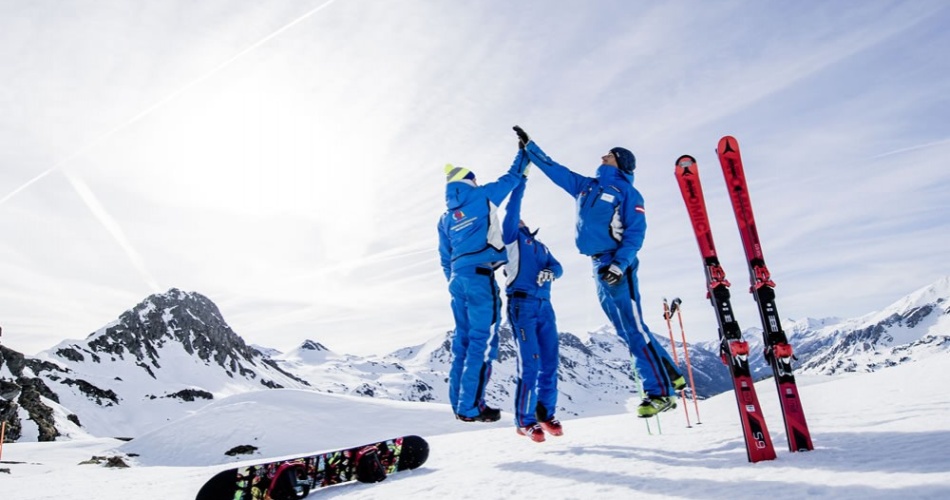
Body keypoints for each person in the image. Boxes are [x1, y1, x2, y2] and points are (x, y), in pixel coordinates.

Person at [513, 125, 686, 418]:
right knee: (626, 329)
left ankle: (661, 393)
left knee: (633, 327)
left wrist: (619, 265)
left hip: (617, 264)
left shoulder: (628, 192)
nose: (603, 156)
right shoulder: (587, 186)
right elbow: (556, 170)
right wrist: (530, 148)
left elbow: (635, 234)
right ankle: (671, 375)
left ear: (621, 161)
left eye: (610, 154)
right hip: (597, 264)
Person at [438, 149, 529, 422]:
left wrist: (455, 280)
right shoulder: (482, 196)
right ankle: (471, 407)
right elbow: (511, 178)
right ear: (472, 181)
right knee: (482, 342)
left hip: (457, 279)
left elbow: (444, 257)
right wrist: (523, 154)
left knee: (462, 344)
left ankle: (458, 405)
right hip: (480, 278)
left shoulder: (445, 218)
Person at [502, 173, 564, 442]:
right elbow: (512, 208)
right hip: (521, 303)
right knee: (530, 364)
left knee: (550, 363)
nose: (519, 218)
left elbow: (559, 266)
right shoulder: (511, 238)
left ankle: (545, 414)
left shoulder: (540, 245)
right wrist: (521, 181)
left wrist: (552, 272)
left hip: (545, 306)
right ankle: (524, 422)